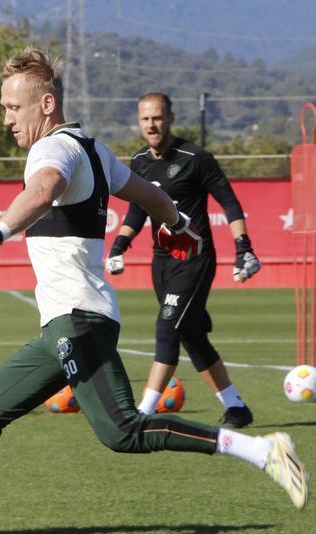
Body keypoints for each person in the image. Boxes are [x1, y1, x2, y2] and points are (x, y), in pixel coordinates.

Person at [0, 49, 308, 534]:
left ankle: (262, 451)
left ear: (46, 104)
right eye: (4, 106)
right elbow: (150, 194)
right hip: (70, 321)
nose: (6, 118)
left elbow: (44, 187)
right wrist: (176, 224)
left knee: (122, 431)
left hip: (77, 321)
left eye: (13, 106)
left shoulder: (53, 150)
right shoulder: (95, 150)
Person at [104, 92, 261, 429]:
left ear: (171, 118)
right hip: (161, 263)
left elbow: (230, 203)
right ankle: (236, 407)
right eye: (145, 119)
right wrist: (119, 245)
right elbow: (137, 209)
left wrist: (244, 247)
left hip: (195, 259)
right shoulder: (141, 161)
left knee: (166, 330)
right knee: (191, 335)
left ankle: (142, 413)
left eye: (157, 117)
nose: (151, 124)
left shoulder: (196, 157)